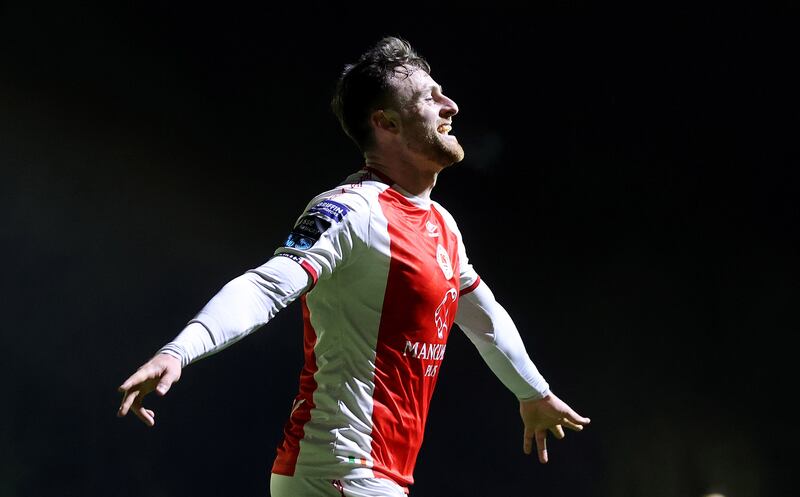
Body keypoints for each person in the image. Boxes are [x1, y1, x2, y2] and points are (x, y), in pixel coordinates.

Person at [117, 36, 590, 497]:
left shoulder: (441, 225)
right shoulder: (351, 210)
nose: (452, 106)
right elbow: (265, 286)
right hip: (339, 469)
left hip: (366, 476)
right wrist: (179, 350)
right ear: (386, 122)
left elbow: (483, 317)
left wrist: (532, 392)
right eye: (430, 98)